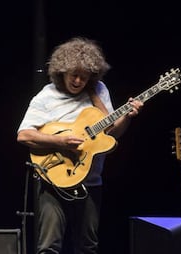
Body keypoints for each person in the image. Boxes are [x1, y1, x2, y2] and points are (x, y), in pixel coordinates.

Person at [17, 37, 143, 254]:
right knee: (48, 247)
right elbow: (24, 135)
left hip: (90, 182)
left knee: (87, 247)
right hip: (52, 181)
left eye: (84, 78)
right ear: (61, 71)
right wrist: (61, 141)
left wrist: (128, 117)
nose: (77, 81)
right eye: (73, 75)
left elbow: (110, 134)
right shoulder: (47, 95)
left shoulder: (99, 91)